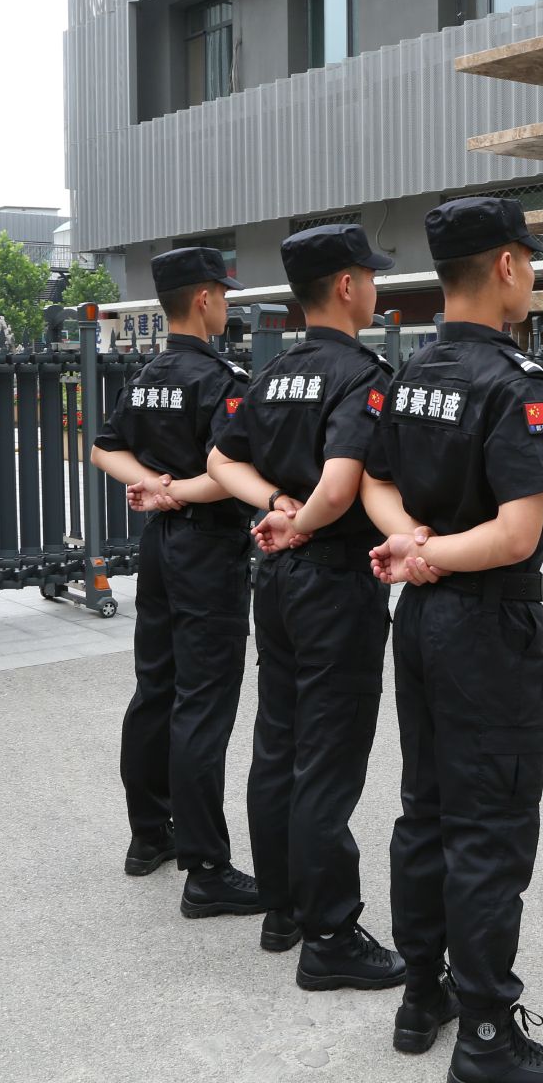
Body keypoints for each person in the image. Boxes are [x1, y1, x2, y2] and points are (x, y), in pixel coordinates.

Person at [361, 197, 543, 1082]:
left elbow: (377, 482)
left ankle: (423, 994)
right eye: (527, 259)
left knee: (427, 808)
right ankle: (488, 1034)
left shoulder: (412, 371)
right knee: (490, 821)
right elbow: (516, 536)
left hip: (420, 624)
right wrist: (431, 555)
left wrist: (410, 544)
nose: (529, 272)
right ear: (504, 266)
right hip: (486, 624)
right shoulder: (516, 382)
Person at [205, 223, 407, 989]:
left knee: (279, 743)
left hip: (279, 581)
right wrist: (303, 518)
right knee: (327, 754)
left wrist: (273, 507)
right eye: (371, 276)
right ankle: (330, 937)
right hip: (332, 581)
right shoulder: (362, 374)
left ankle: (283, 909)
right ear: (348, 286)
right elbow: (342, 482)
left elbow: (220, 459)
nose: (375, 288)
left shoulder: (274, 373)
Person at [89, 245, 268, 919]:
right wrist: (174, 490)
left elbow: (103, 447)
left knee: (155, 690)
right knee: (202, 702)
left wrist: (151, 487)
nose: (227, 304)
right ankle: (206, 868)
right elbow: (228, 471)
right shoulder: (221, 380)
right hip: (207, 550)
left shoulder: (147, 375)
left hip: (160, 547)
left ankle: (148, 835)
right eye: (223, 293)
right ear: (203, 298)